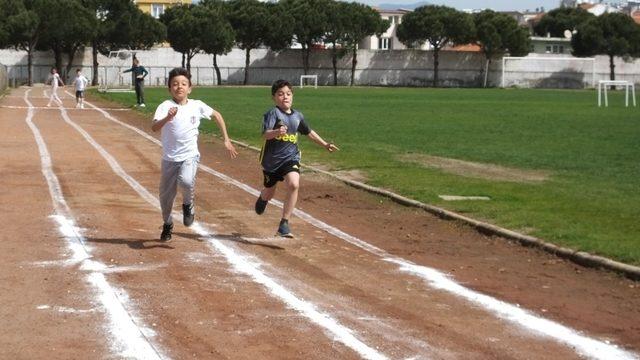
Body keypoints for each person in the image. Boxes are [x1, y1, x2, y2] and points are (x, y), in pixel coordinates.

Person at [152, 67, 238, 242]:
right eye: (175, 84)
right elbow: (154, 127)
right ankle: (167, 224)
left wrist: (226, 139)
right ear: (169, 88)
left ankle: (187, 204)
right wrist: (167, 118)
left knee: (186, 180)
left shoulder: (197, 105)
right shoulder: (165, 106)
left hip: (190, 155)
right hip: (169, 159)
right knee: (165, 198)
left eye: (184, 84)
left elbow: (217, 116)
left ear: (190, 88)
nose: (179, 87)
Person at [255, 79, 339, 237]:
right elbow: (265, 134)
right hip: (272, 162)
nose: (285, 97)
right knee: (269, 192)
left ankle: (284, 223)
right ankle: (263, 198)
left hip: (290, 158)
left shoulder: (297, 116)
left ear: (292, 96)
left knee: (294, 184)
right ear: (274, 97)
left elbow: (309, 132)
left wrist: (325, 144)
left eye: (288, 93)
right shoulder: (272, 114)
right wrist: (276, 132)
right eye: (280, 94)